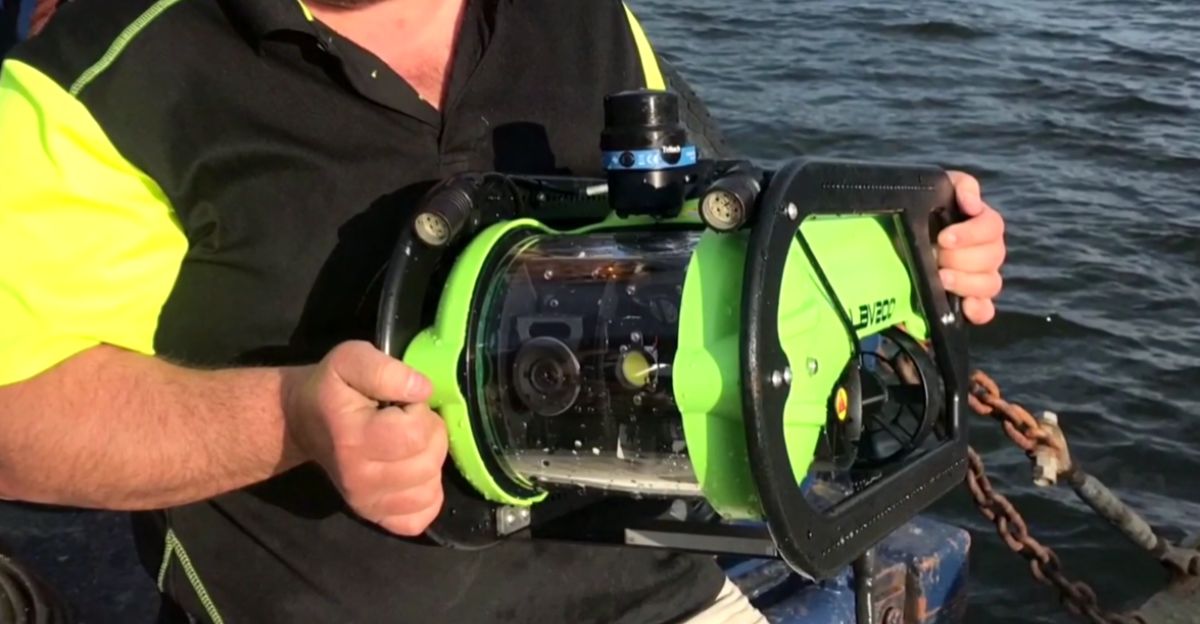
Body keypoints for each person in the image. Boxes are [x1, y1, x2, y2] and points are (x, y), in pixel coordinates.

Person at [0, 0, 1007, 622]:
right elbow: (15, 417)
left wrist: (907, 249)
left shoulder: (584, 17)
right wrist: (292, 420)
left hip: (657, 595)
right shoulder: (105, 77)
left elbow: (712, 230)